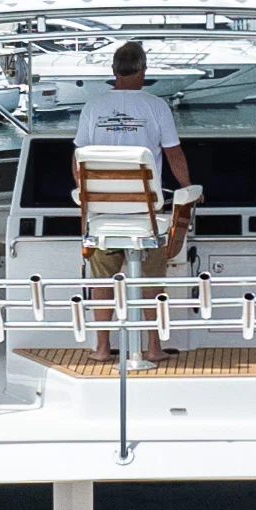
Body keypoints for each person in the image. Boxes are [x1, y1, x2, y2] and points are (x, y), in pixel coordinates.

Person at [71, 39, 193, 316]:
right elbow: (174, 155)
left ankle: (101, 347)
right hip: (146, 214)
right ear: (142, 71)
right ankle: (152, 348)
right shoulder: (157, 106)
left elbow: (77, 158)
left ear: (114, 71)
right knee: (152, 281)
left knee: (103, 280)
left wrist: (84, 194)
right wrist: (188, 188)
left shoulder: (93, 106)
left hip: (103, 213)